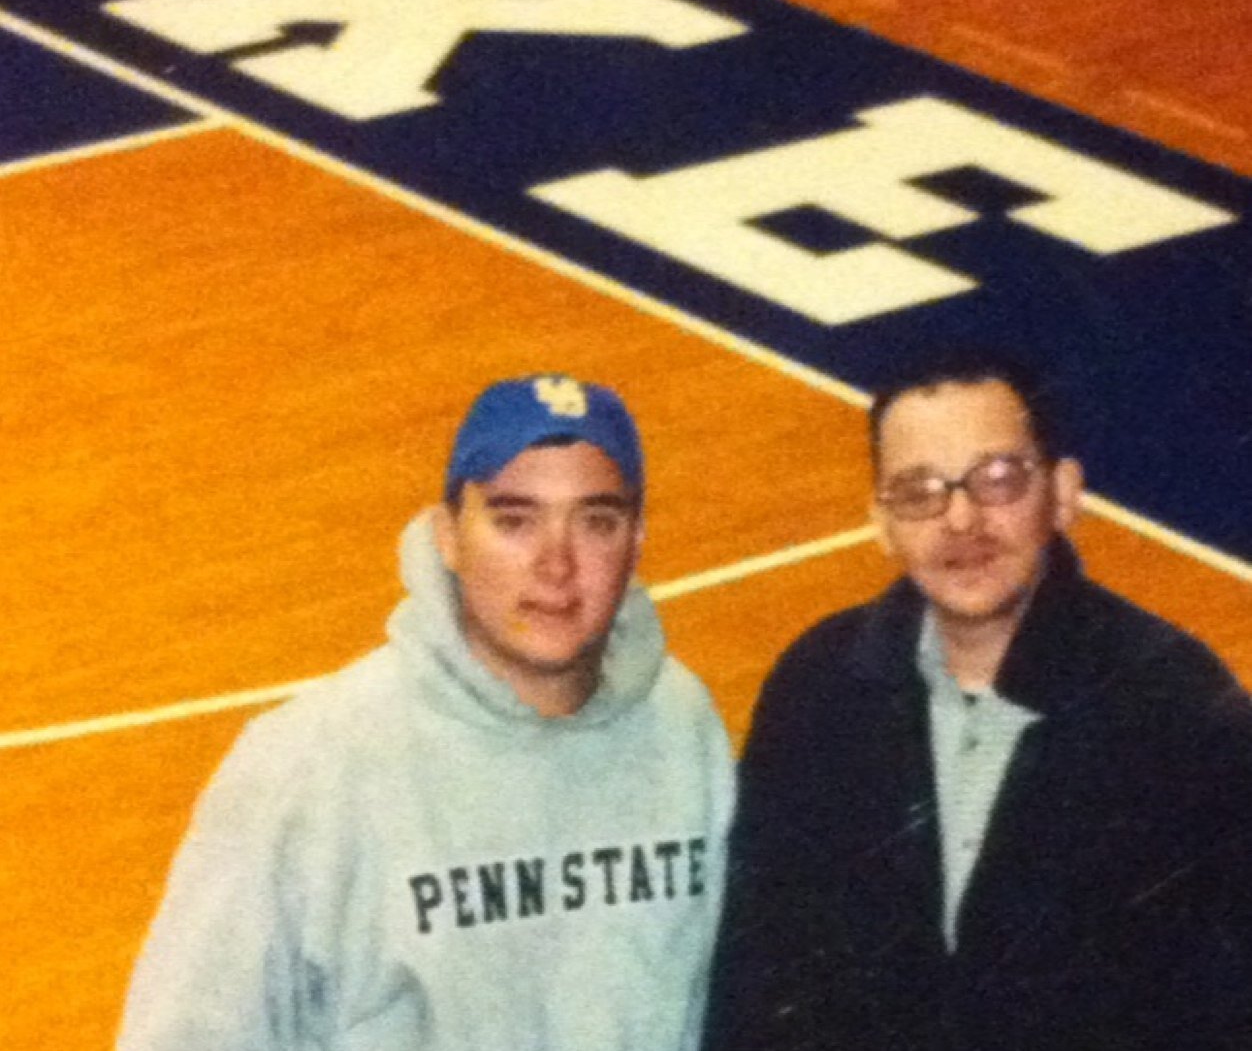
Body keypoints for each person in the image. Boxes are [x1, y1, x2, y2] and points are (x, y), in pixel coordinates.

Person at [119, 374, 734, 1051]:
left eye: (596, 521)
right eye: (513, 519)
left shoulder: (681, 727)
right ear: (447, 536)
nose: (556, 565)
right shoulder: (308, 762)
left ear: (638, 540)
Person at [703, 351, 1252, 1051]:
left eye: (998, 480)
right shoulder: (821, 684)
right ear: (881, 522)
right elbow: (759, 960)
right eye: (918, 490)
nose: (960, 519)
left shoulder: (1176, 706)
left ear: (1063, 492)